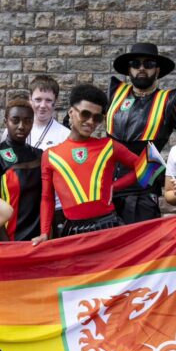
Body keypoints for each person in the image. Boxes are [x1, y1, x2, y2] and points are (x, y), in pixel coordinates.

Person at [34, 84, 141, 243]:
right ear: (71, 112)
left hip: (108, 227)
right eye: (85, 114)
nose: (90, 122)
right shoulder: (50, 155)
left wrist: (115, 186)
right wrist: (44, 233)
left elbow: (148, 166)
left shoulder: (109, 146)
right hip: (72, 232)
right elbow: (47, 198)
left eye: (97, 118)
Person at [106, 43, 176, 224]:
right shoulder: (115, 94)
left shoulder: (168, 101)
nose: (141, 68)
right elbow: (87, 120)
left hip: (142, 192)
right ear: (129, 69)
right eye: (136, 64)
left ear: (157, 70)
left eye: (149, 64)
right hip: (106, 188)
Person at [0, 98, 44, 241]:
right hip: (5, 239)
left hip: (37, 240)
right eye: (15, 120)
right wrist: (7, 245)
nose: (21, 126)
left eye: (27, 121)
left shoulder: (39, 155)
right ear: (6, 122)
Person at [26, 75, 71, 234]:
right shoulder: (14, 131)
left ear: (55, 102)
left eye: (48, 100)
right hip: (24, 207)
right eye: (38, 99)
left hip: (55, 208)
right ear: (30, 99)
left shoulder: (65, 135)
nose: (42, 105)